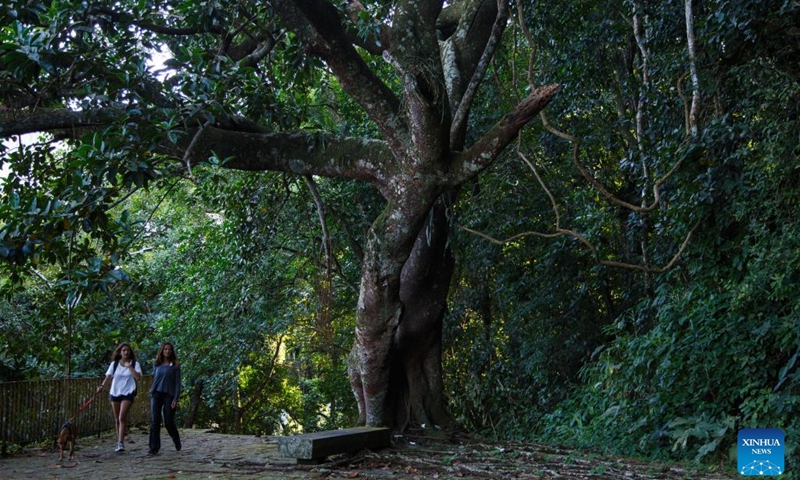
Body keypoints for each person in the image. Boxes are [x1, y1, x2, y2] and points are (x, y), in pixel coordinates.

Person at [96, 342, 142, 453]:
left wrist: (129, 366)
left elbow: (138, 377)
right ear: (120, 352)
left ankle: (121, 443)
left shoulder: (135, 364)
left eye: (128, 350)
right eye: (124, 350)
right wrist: (102, 386)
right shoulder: (114, 364)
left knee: (122, 417)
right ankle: (119, 441)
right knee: (117, 418)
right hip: (115, 392)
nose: (126, 352)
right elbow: (108, 377)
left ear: (130, 352)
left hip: (128, 392)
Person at [147, 341, 182, 455]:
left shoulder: (175, 365)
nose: (167, 351)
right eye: (165, 349)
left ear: (172, 351)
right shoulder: (157, 364)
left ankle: (175, 438)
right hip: (156, 393)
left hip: (169, 394)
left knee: (168, 420)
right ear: (162, 350)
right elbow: (155, 378)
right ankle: (153, 448)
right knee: (154, 421)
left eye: (169, 349)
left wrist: (175, 398)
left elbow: (177, 383)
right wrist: (152, 390)